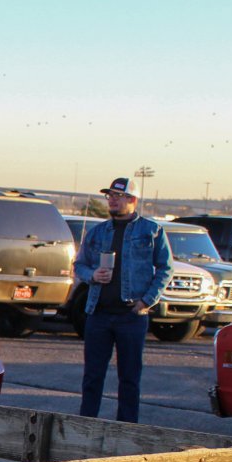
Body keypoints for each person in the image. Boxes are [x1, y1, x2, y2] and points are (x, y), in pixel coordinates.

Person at [74, 176, 171, 424]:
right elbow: (80, 265)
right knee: (92, 377)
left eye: (118, 196)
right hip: (99, 314)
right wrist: (92, 275)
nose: (112, 200)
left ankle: (126, 429)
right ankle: (86, 426)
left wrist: (146, 301)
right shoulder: (97, 232)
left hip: (131, 315)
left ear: (132, 200)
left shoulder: (151, 231)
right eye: (110, 196)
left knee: (129, 378)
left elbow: (166, 268)